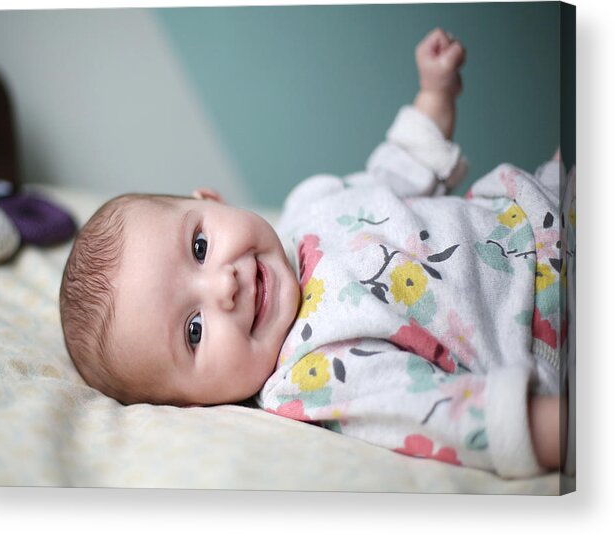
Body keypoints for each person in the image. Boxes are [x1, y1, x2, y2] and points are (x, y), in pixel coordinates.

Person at [60, 28, 569, 478]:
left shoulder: (307, 205)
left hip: (537, 201)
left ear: (211, 201)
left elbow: (394, 177)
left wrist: (433, 95)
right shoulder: (309, 375)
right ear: (198, 403)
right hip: (551, 310)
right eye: (193, 331)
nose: (224, 286)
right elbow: (437, 412)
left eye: (199, 247)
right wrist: (557, 429)